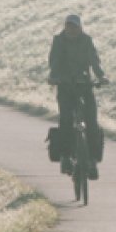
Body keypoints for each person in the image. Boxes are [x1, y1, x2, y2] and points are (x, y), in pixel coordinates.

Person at [47, 12, 107, 141]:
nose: (72, 29)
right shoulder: (59, 40)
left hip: (84, 84)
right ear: (65, 27)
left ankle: (92, 154)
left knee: (91, 119)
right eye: (69, 26)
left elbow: (94, 60)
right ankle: (65, 154)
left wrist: (101, 76)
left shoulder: (86, 40)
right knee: (66, 119)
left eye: (74, 26)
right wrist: (53, 76)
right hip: (65, 84)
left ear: (80, 27)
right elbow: (55, 60)